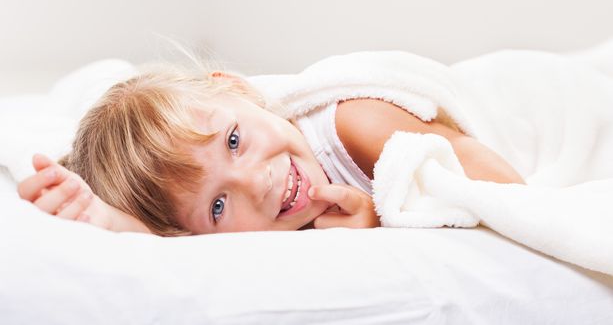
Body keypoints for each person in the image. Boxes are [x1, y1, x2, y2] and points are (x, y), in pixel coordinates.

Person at [16, 64, 524, 236]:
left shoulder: (357, 124)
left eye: (234, 141)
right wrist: (113, 222)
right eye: (218, 205)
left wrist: (385, 213)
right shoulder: (235, 228)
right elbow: (171, 238)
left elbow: (505, 190)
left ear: (237, 89)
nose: (256, 181)